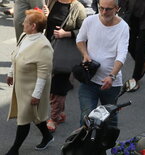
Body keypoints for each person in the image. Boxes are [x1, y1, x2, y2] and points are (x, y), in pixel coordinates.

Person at [6, 9, 54, 154]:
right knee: (35, 116)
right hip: (21, 86)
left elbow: (43, 75)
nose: (22, 23)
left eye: (25, 22)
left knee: (24, 117)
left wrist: (36, 95)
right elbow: (17, 55)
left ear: (33, 26)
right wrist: (11, 73)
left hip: (33, 88)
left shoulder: (44, 46)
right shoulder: (24, 36)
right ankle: (47, 136)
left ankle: (14, 150)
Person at [76, 0, 129, 126]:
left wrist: (112, 76)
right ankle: (83, 145)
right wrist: (85, 54)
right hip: (89, 80)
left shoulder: (123, 27)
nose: (104, 12)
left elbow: (122, 54)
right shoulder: (90, 21)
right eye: (101, 8)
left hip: (111, 84)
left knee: (110, 120)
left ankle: (107, 146)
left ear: (117, 8)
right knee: (87, 118)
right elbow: (80, 39)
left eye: (108, 9)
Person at [42, 0, 86, 132]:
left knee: (57, 87)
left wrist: (66, 34)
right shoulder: (52, 2)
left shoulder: (78, 7)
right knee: (49, 85)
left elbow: (85, 31)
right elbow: (48, 24)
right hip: (49, 49)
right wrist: (45, 16)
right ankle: (60, 113)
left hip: (65, 53)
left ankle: (54, 118)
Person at [119, 0, 145, 91]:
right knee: (130, 45)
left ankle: (135, 79)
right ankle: (143, 64)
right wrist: (123, 11)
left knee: (140, 49)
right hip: (132, 14)